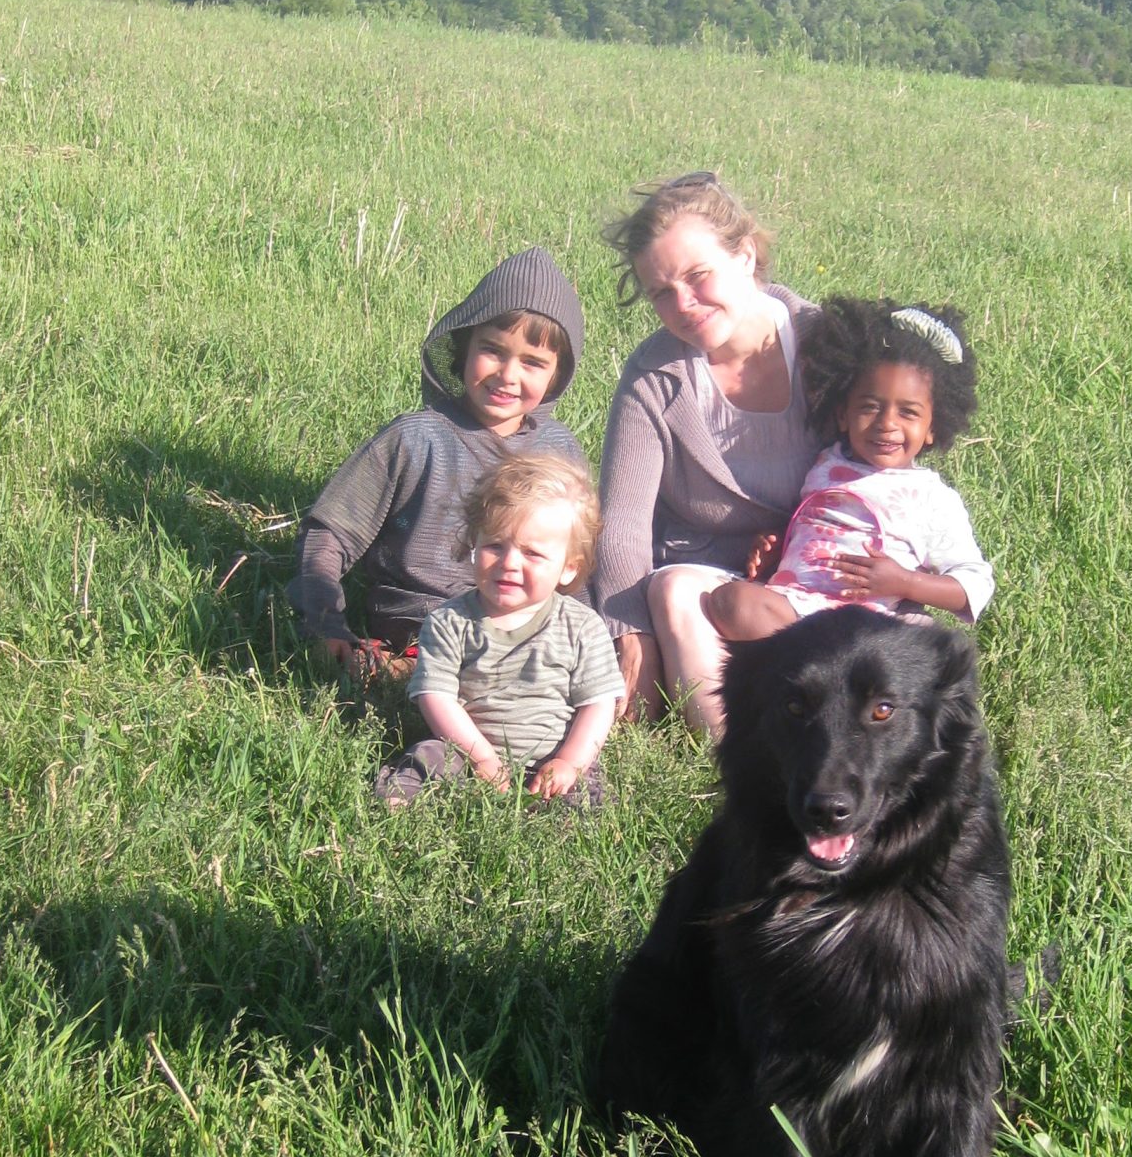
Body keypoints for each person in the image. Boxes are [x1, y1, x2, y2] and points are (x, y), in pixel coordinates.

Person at [287, 249, 588, 685]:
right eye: (493, 351)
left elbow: (579, 565)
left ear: (557, 375)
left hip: (525, 627)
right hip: (420, 621)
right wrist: (324, 622)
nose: (508, 375)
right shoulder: (415, 439)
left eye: (532, 363)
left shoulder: (559, 452)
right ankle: (407, 673)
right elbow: (327, 534)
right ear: (464, 348)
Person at [594, 172, 819, 737]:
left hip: (816, 568)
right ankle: (739, 766)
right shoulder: (656, 373)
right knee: (674, 593)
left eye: (698, 276)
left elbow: (881, 470)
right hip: (706, 578)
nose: (684, 304)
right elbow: (623, 521)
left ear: (745, 255)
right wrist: (631, 633)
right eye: (662, 293)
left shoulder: (824, 344)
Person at [701, 299, 993, 640]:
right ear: (843, 414)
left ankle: (820, 666)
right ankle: (814, 663)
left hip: (869, 625)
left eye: (908, 413)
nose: (886, 424)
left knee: (929, 647)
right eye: (870, 407)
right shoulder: (826, 461)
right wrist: (781, 548)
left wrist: (904, 582)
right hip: (794, 608)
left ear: (933, 427)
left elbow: (974, 582)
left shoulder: (931, 497)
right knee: (730, 602)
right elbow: (816, 528)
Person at [386, 456, 623, 807]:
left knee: (587, 794)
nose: (509, 563)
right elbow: (436, 696)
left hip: (552, 754)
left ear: (568, 568)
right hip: (464, 748)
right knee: (426, 759)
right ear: (473, 546)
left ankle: (558, 835)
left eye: (532, 553)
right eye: (495, 545)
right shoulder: (449, 622)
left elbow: (597, 705)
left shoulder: (583, 627)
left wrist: (570, 762)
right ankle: (397, 814)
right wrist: (480, 757)